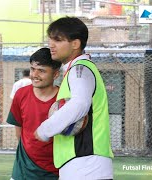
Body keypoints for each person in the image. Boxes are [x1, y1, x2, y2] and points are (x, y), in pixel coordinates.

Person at [34, 17, 114, 180]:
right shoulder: (77, 70)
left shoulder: (80, 69)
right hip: (83, 164)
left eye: (58, 40)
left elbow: (80, 104)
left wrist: (45, 129)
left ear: (75, 44)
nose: (51, 44)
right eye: (50, 39)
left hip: (86, 164)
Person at [7, 48, 62, 180]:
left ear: (55, 74)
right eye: (32, 69)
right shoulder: (21, 94)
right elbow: (19, 130)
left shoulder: (64, 100)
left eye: (41, 70)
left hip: (55, 171)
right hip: (22, 170)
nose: (34, 74)